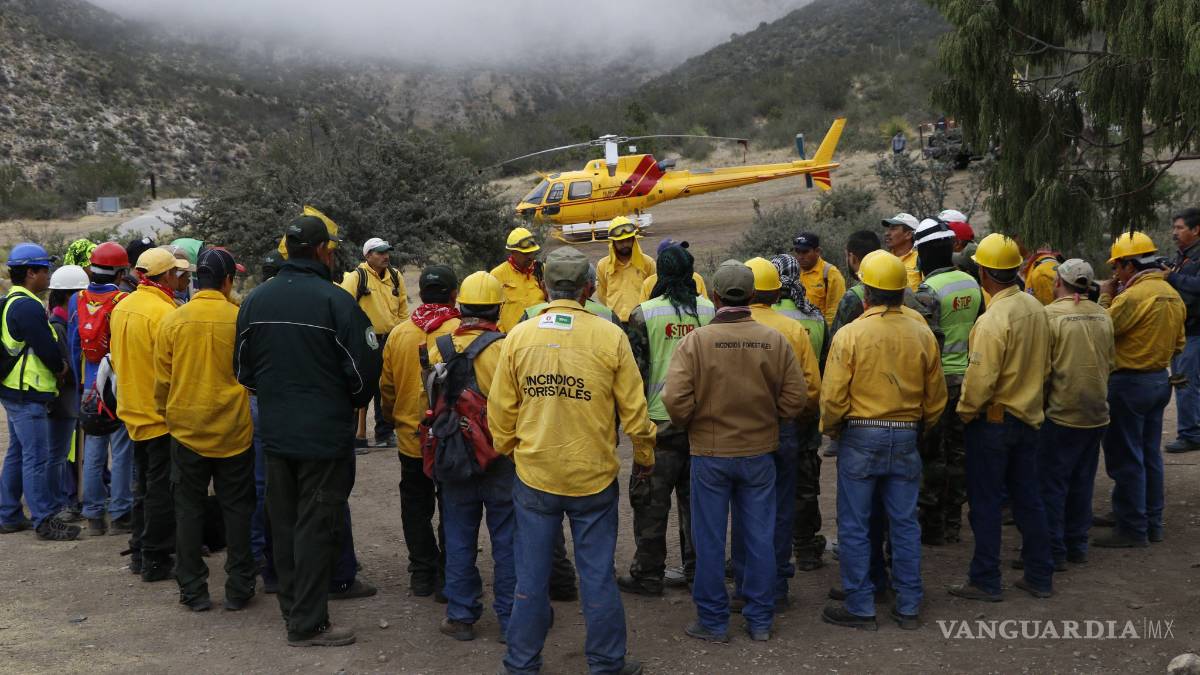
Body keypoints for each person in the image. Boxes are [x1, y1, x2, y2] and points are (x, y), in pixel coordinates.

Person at [489, 246, 656, 675]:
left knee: (531, 577)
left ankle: (521, 663)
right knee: (597, 575)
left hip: (535, 475)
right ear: (588, 289)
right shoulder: (610, 336)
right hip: (592, 477)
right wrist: (644, 455)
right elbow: (635, 412)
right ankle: (606, 662)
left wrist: (510, 449)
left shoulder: (519, 336)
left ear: (545, 286)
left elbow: (500, 410)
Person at [235, 212, 381, 647]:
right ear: (321, 250)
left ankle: (295, 609)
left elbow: (243, 370)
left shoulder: (256, 300)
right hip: (323, 437)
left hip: (276, 433)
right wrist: (345, 402)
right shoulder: (336, 301)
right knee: (316, 525)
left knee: (284, 523)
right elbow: (364, 372)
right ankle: (308, 623)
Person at [662, 260, 807, 643]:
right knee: (759, 536)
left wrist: (694, 421)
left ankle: (713, 621)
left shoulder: (696, 342)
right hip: (760, 453)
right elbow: (797, 398)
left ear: (715, 296)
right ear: (753, 294)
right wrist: (769, 419)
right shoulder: (774, 340)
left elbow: (674, 400)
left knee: (709, 540)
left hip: (710, 454)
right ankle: (759, 619)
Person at [820, 250, 946, 630]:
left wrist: (833, 429)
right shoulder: (922, 332)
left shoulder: (850, 334)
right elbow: (936, 398)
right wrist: (919, 426)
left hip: (860, 435)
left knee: (855, 524)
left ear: (866, 293)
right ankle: (908, 604)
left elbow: (832, 399)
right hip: (906, 435)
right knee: (905, 523)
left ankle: (861, 605)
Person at [950, 233, 1053, 601]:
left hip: (993, 424)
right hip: (1029, 418)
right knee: (1029, 499)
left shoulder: (993, 320)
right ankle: (1040, 575)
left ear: (983, 273)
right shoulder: (1035, 308)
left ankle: (985, 580)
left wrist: (964, 414)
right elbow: (1047, 366)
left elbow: (980, 381)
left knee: (986, 503)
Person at [154, 248, 255, 612]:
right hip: (234, 430)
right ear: (228, 281)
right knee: (238, 509)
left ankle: (193, 590)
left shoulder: (173, 320)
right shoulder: (240, 319)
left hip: (187, 430)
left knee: (188, 510)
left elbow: (163, 381)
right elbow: (252, 374)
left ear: (198, 280)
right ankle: (240, 587)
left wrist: (166, 413)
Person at [618, 244, 714, 597]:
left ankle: (648, 575)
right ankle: (697, 571)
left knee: (650, 503)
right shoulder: (710, 312)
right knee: (698, 504)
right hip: (702, 426)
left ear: (659, 273)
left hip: (658, 427)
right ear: (691, 273)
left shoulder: (643, 314)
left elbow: (634, 375)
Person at [428, 271, 515, 643]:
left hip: (453, 454)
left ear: (460, 306)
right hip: (499, 456)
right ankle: (512, 620)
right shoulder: (507, 348)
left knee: (459, 536)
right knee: (508, 540)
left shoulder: (438, 346)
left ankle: (461, 615)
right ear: (497, 309)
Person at [1094, 231, 1186, 548]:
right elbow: (1179, 344)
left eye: (1116, 267)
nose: (1115, 274)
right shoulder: (1172, 294)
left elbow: (1102, 330)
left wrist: (1105, 296)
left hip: (1128, 384)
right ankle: (1150, 522)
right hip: (1158, 381)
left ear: (1130, 265)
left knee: (1125, 456)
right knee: (1149, 455)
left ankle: (1132, 527)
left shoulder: (1132, 297)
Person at [740, 257, 821, 607]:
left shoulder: (725, 328)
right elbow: (811, 389)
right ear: (776, 294)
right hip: (782, 430)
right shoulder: (793, 329)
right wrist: (790, 416)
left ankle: (746, 582)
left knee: (744, 506)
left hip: (740, 432)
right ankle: (777, 584)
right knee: (781, 507)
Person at [380, 265, 460, 601]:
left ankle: (422, 573)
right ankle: (449, 574)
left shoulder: (399, 334)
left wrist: (394, 419)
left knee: (415, 505)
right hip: (450, 439)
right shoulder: (460, 332)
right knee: (452, 505)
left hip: (411, 438)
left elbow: (387, 388)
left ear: (421, 294)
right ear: (453, 294)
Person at [111, 247, 190, 579]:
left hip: (131, 410)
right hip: (159, 415)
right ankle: (155, 559)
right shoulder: (164, 312)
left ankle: (140, 551)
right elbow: (173, 367)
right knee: (161, 489)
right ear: (167, 275)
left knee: (143, 485)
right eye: (177, 273)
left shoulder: (122, 306)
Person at [1038, 259, 1114, 567]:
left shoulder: (1049, 316)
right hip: (1096, 413)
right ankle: (1077, 544)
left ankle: (1053, 551)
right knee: (1082, 481)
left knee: (1052, 484)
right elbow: (1110, 361)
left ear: (1059, 282)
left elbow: (1043, 370)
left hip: (1061, 412)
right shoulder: (1104, 315)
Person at [911, 218, 982, 545]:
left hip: (941, 385)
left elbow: (924, 344)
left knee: (933, 456)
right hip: (970, 379)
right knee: (960, 453)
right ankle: (954, 522)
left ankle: (933, 526)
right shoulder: (971, 283)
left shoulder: (928, 292)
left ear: (923, 254)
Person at [0, 243, 75, 541]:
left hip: (14, 391)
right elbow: (46, 347)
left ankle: (9, 515)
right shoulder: (27, 306)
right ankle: (43, 519)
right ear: (31, 272)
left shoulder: (10, 300)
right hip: (27, 392)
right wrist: (60, 367)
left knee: (18, 454)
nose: (48, 275)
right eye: (45, 269)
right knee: (37, 458)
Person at [70, 241, 135, 537]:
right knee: (121, 452)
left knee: (93, 453)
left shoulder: (77, 299)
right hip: (117, 386)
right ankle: (120, 514)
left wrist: (81, 384)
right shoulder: (124, 300)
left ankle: (94, 516)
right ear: (121, 272)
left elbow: (74, 347)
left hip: (90, 387)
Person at [769, 254, 828, 570]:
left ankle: (767, 549)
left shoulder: (767, 318)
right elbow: (823, 365)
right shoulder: (815, 316)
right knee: (805, 483)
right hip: (806, 411)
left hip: (770, 414)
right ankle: (806, 548)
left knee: (767, 484)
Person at [340, 236, 408, 449]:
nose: (385, 256)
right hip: (364, 343)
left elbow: (403, 310)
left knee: (386, 386)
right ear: (367, 255)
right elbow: (343, 309)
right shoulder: (356, 277)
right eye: (380, 252)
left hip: (390, 340)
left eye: (387, 252)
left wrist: (400, 334)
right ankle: (354, 438)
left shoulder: (395, 276)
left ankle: (384, 434)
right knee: (358, 385)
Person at [46, 265, 89, 524]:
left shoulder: (63, 321)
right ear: (69, 295)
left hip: (68, 400)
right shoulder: (59, 325)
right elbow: (68, 366)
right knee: (60, 454)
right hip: (64, 402)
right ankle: (61, 502)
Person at [1165, 207, 1200, 453]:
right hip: (1182, 331)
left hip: (1195, 331)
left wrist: (1172, 278)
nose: (1174, 232)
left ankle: (1190, 434)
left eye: (1180, 228)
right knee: (1184, 381)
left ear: (1196, 230)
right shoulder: (1182, 256)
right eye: (1174, 228)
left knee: (1185, 383)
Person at [597, 217, 656, 323]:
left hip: (642, 322)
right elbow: (602, 294)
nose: (625, 244)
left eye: (628, 240)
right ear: (612, 243)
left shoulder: (648, 263)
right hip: (615, 323)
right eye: (620, 241)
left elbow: (654, 294)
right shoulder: (603, 266)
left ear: (634, 239)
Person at [490, 227, 545, 333]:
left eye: (532, 252)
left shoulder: (542, 271)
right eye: (525, 254)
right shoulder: (497, 275)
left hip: (539, 336)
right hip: (509, 338)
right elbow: (491, 312)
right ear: (513, 252)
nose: (531, 257)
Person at [792, 232, 846, 326]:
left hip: (819, 331)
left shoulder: (830, 273)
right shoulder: (792, 271)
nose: (800, 256)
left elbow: (835, 310)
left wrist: (826, 332)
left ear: (817, 251)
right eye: (797, 251)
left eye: (805, 252)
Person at [639, 239, 707, 302]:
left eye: (682, 251)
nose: (682, 255)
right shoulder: (648, 283)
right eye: (676, 254)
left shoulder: (697, 278)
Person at [881, 213, 922, 291]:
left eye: (893, 229)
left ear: (908, 234)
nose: (887, 233)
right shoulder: (883, 259)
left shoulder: (920, 259)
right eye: (888, 229)